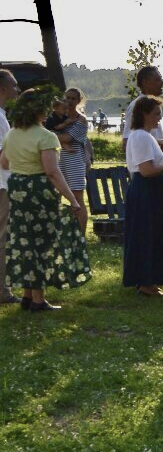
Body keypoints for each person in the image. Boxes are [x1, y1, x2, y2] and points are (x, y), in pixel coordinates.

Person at [0, 88, 90, 310]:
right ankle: (38, 300)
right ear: (39, 111)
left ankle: (27, 295)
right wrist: (74, 200)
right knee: (41, 242)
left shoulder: (13, 133)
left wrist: (23, 165)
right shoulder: (45, 136)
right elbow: (52, 171)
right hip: (39, 190)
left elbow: (4, 163)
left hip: (17, 188)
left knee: (24, 241)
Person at [123, 96, 163, 296]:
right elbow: (146, 170)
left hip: (150, 188)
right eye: (156, 114)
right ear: (144, 114)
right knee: (147, 233)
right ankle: (146, 282)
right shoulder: (140, 136)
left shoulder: (143, 136)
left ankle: (150, 279)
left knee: (153, 232)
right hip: (146, 188)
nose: (159, 118)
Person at [52, 88, 91, 232]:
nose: (69, 101)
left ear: (79, 100)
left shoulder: (81, 120)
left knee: (77, 198)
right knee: (55, 196)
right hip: (57, 161)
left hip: (74, 161)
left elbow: (66, 138)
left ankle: (81, 234)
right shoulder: (57, 116)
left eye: (73, 98)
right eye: (67, 98)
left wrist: (50, 134)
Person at [0, 69, 21, 305]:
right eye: (14, 86)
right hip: (1, 183)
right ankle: (2, 291)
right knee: (2, 238)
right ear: (3, 88)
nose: (17, 90)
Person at [121, 66, 163, 152]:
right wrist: (158, 143)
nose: (162, 82)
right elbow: (126, 144)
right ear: (145, 82)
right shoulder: (136, 106)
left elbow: (153, 139)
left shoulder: (153, 105)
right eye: (157, 80)